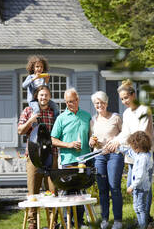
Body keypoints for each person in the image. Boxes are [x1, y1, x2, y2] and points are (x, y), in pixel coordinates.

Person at [106, 79, 154, 227]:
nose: (124, 101)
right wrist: (114, 141)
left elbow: (139, 135)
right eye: (122, 99)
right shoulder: (127, 113)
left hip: (144, 155)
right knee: (132, 185)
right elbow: (125, 132)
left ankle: (145, 219)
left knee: (143, 187)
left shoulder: (144, 110)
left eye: (126, 98)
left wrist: (120, 143)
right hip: (132, 156)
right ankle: (141, 218)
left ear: (133, 95)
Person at [18, 85, 58, 229]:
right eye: (41, 95)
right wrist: (31, 120)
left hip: (51, 156)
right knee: (32, 192)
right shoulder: (29, 110)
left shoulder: (53, 113)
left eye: (46, 95)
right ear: (37, 96)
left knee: (52, 191)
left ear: (49, 97)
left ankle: (53, 223)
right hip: (33, 157)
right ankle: (32, 224)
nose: (44, 97)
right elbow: (20, 130)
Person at [51, 87, 91, 228]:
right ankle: (67, 222)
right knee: (69, 192)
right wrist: (68, 144)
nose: (70, 104)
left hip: (85, 159)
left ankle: (79, 222)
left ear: (78, 100)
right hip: (68, 161)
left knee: (80, 191)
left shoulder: (87, 116)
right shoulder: (61, 118)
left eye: (72, 101)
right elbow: (53, 139)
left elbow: (91, 136)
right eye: (67, 102)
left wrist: (93, 141)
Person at [89, 91, 124, 229]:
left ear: (106, 103)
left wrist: (116, 140)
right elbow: (91, 139)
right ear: (94, 105)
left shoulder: (115, 118)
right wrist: (91, 141)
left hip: (114, 155)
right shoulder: (93, 120)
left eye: (102, 102)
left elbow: (124, 134)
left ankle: (118, 221)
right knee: (102, 189)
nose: (99, 105)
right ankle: (104, 219)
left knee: (114, 187)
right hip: (99, 156)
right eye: (97, 103)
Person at [117, 131, 153, 229]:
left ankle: (143, 226)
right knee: (136, 207)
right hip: (138, 186)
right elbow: (129, 152)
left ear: (138, 146)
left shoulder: (143, 158)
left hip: (141, 187)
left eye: (133, 146)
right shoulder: (139, 154)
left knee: (140, 208)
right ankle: (142, 225)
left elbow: (140, 176)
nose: (132, 148)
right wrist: (118, 148)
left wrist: (132, 186)